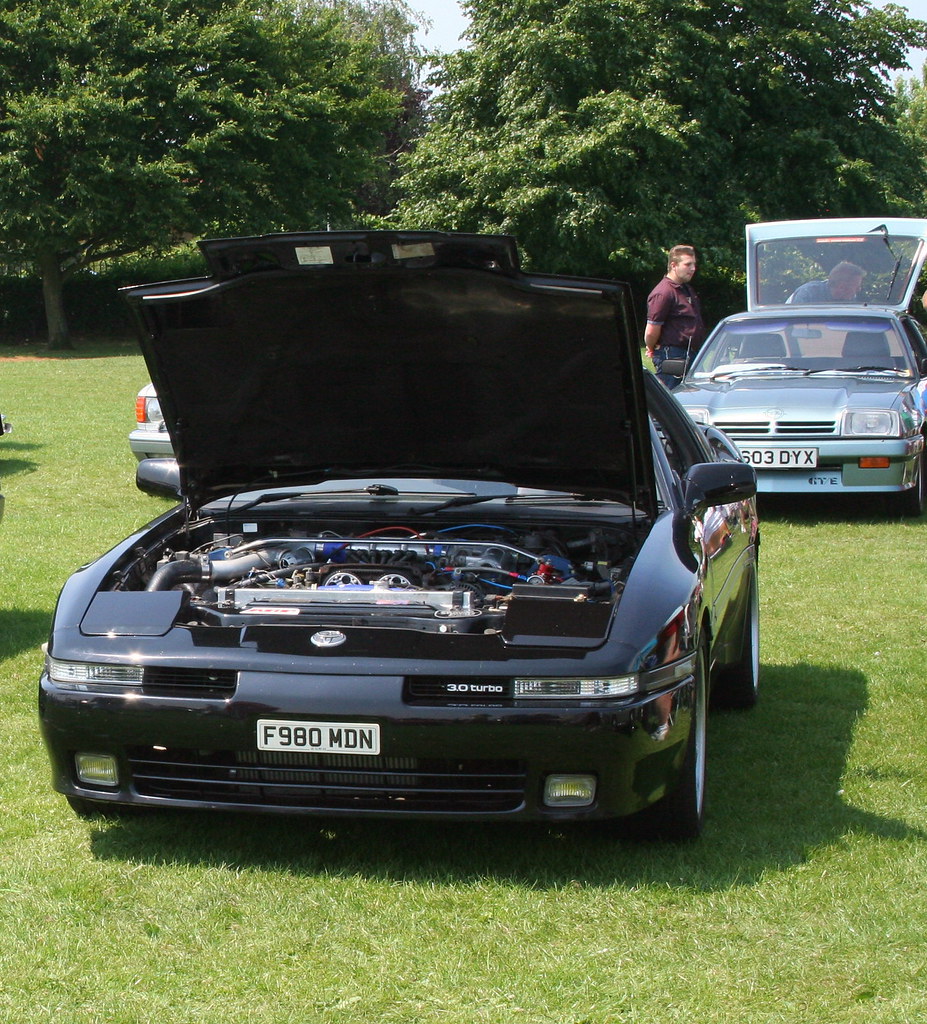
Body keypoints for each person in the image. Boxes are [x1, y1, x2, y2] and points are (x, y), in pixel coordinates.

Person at [644, 244, 706, 388]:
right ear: (673, 265)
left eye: (694, 264)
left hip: (690, 353)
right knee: (671, 401)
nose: (693, 269)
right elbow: (651, 330)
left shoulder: (685, 288)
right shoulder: (663, 292)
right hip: (672, 356)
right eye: (688, 264)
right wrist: (651, 347)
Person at [786, 261, 864, 304]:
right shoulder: (807, 294)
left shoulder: (850, 300)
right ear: (842, 287)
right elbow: (797, 329)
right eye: (857, 288)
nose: (859, 290)